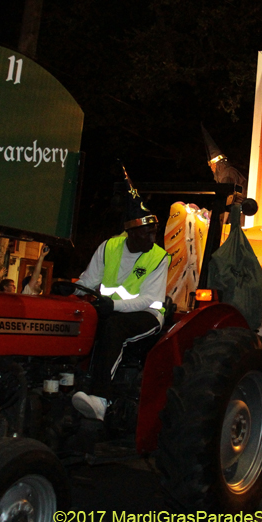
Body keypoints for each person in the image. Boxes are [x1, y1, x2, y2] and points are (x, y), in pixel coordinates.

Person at [69, 166, 169, 421]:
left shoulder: (158, 257)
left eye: (154, 232)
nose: (152, 238)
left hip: (147, 314)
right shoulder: (109, 247)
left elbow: (150, 299)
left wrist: (112, 307)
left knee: (114, 327)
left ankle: (101, 399)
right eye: (147, 232)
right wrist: (70, 296)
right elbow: (89, 280)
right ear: (131, 232)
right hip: (110, 310)